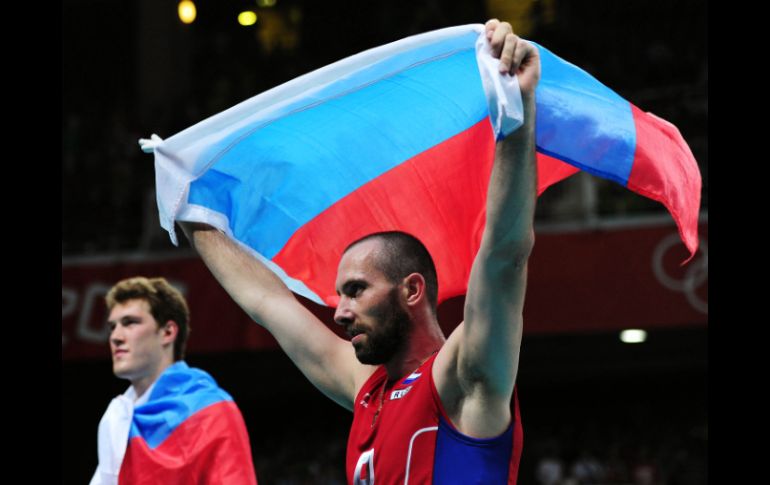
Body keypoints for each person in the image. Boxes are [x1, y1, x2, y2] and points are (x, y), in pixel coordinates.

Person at [181, 18, 539, 484]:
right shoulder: (365, 388)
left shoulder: (464, 375)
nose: (340, 311)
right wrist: (190, 211)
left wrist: (517, 112)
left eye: (356, 290)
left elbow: (505, 255)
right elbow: (267, 303)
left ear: (411, 290)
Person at [90, 276, 258, 485]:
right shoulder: (118, 421)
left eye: (130, 323)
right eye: (112, 327)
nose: (116, 336)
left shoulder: (211, 412)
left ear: (168, 332)